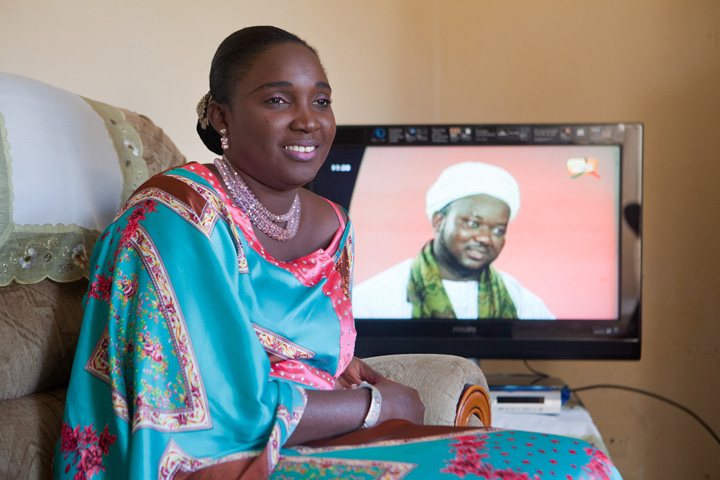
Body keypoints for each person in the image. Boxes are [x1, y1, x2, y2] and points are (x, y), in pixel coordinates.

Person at [54, 26, 619, 480]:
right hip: (219, 460)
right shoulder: (174, 218)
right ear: (222, 116)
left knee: (577, 460)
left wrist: (350, 378)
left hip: (323, 436)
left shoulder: (332, 222)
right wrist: (379, 406)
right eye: (278, 99)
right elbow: (211, 413)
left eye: (321, 100)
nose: (309, 120)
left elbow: (316, 355)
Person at [353, 162, 555, 320]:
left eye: (498, 230)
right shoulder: (375, 298)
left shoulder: (522, 303)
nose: (485, 239)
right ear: (439, 221)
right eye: (473, 224)